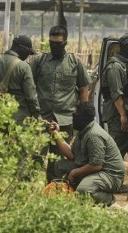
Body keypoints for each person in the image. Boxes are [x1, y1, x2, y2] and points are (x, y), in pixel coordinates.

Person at [31, 25, 91, 183]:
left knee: (57, 162)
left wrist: (83, 115)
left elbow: (84, 88)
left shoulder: (74, 62)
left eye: (58, 44)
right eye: (51, 43)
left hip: (65, 120)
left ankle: (53, 191)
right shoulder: (39, 61)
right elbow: (29, 86)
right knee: (35, 156)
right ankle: (28, 192)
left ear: (65, 43)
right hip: (41, 119)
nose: (54, 47)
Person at [50, 102, 125, 206]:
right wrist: (56, 134)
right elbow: (72, 155)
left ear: (83, 117)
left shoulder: (94, 135)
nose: (73, 118)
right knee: (61, 165)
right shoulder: (83, 130)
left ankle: (108, 199)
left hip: (110, 174)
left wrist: (74, 173)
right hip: (96, 170)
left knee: (84, 191)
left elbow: (96, 165)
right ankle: (71, 193)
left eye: (75, 115)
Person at [100, 33, 128, 159]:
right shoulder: (115, 67)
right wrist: (123, 116)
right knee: (116, 151)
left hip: (124, 113)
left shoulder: (124, 65)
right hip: (117, 115)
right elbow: (116, 94)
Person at [0, 35, 40, 124]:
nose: (28, 55)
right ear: (22, 49)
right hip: (19, 122)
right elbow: (31, 97)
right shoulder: (24, 67)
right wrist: (37, 117)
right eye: (28, 52)